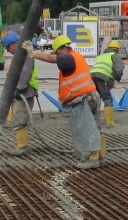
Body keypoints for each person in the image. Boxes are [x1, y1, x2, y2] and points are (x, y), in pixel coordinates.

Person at [23, 35, 102, 169]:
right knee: (94, 127)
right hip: (91, 96)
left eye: (58, 52)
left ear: (64, 48)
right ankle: (99, 156)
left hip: (83, 99)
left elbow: (53, 59)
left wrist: (33, 53)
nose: (58, 55)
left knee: (86, 129)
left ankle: (93, 159)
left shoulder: (69, 57)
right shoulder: (76, 56)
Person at [2, 32, 39, 155]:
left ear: (13, 44)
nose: (8, 50)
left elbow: (25, 72)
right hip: (22, 91)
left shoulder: (25, 55)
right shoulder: (20, 55)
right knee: (19, 118)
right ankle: (21, 145)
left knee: (20, 119)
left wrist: (20, 88)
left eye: (8, 47)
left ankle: (22, 147)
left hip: (25, 92)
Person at [90, 40, 124, 126]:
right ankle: (109, 122)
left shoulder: (100, 56)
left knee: (95, 99)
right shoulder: (115, 56)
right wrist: (116, 80)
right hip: (102, 77)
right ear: (117, 49)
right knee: (107, 99)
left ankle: (93, 121)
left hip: (92, 77)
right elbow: (119, 70)